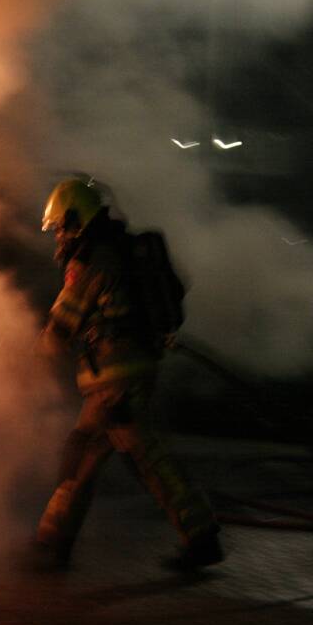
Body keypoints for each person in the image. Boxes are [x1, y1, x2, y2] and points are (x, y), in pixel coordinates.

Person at [32, 176, 223, 570]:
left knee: (113, 459)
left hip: (113, 385)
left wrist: (27, 354)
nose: (59, 238)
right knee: (111, 460)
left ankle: (201, 538)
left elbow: (61, 328)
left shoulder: (90, 262)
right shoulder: (123, 250)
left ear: (76, 220)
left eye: (61, 228)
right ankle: (53, 546)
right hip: (129, 375)